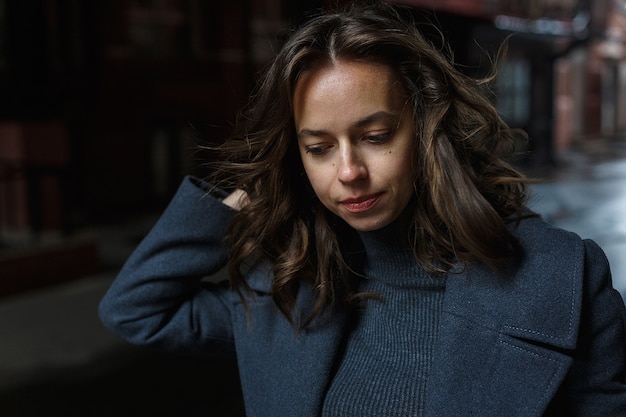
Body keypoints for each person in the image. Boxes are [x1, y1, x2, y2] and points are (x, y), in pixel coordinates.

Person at [98, 1, 626, 415]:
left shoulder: (566, 279)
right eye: (318, 148)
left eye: (374, 136)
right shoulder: (285, 290)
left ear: (424, 130)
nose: (348, 172)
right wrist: (245, 194)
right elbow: (136, 310)